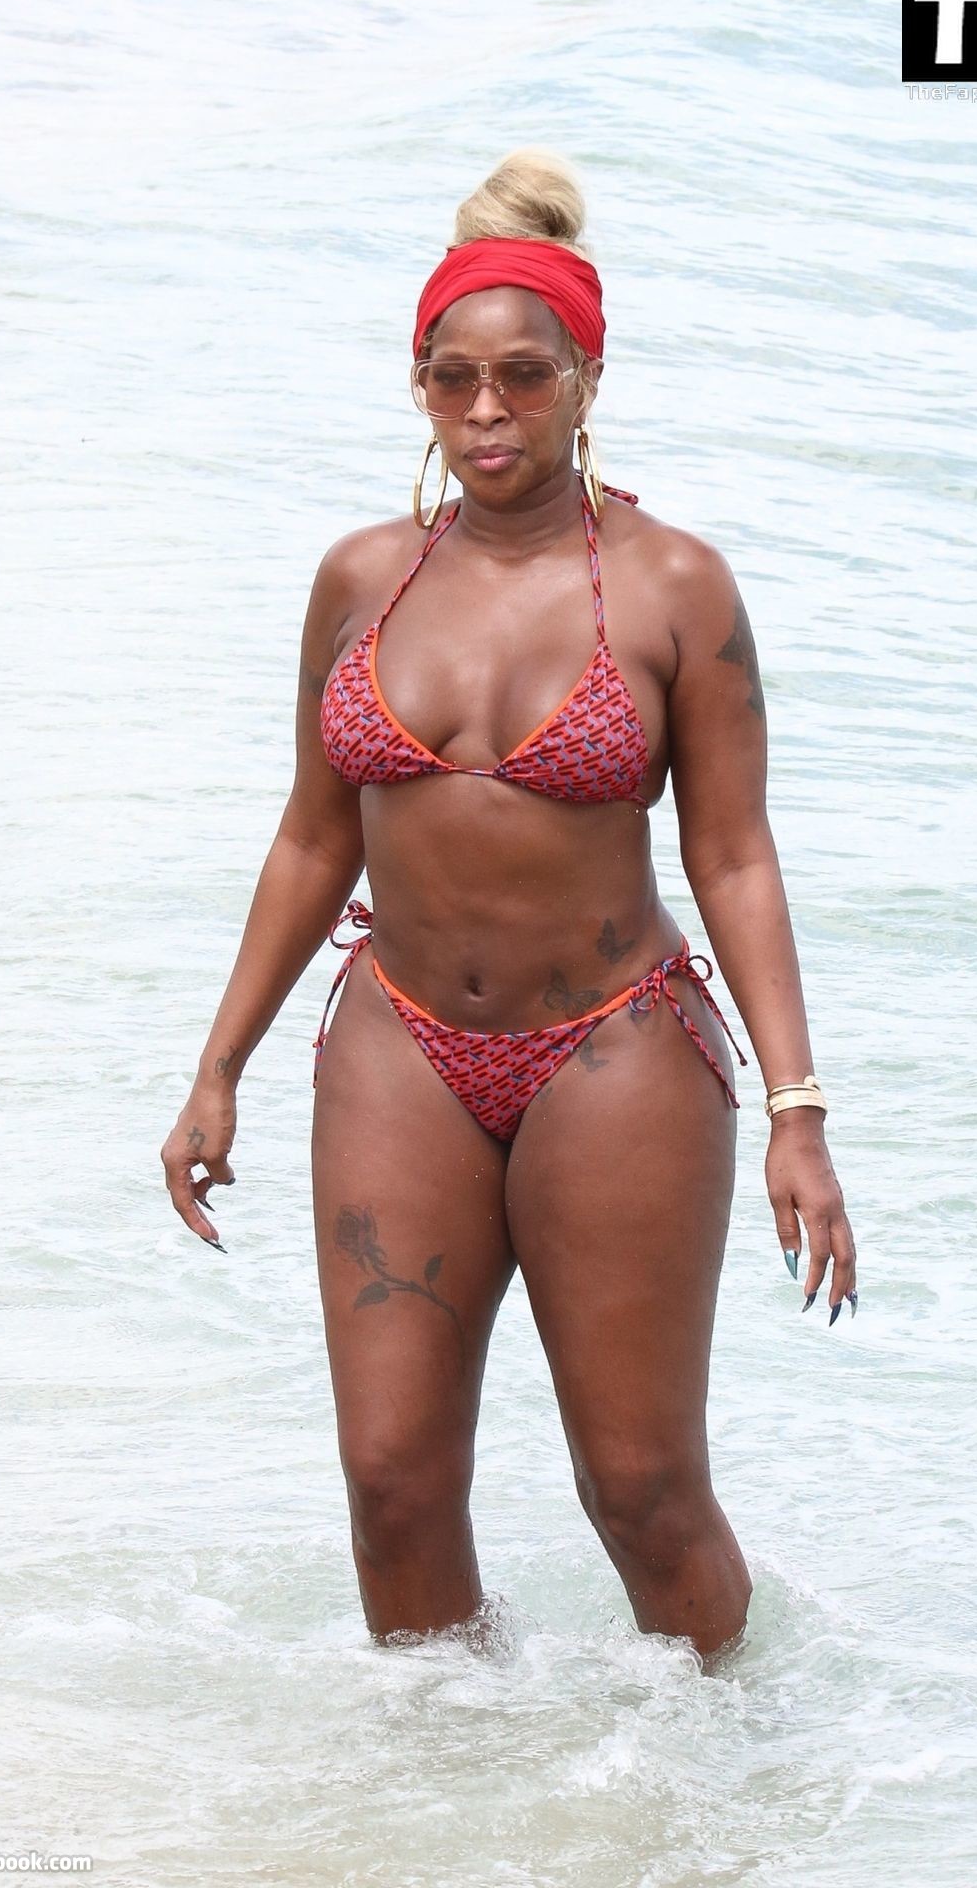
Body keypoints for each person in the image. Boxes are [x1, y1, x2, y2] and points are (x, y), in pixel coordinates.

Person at [160, 147, 858, 1671]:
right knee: (391, 1482)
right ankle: (456, 1780)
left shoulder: (675, 588)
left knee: (641, 1488)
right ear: (418, 388)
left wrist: (797, 1111)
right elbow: (312, 839)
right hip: (399, 1043)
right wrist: (219, 1066)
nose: (488, 410)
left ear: (585, 382)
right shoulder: (361, 580)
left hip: (614, 1048)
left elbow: (736, 858)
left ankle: (737, 1769)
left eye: (524, 378)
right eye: (454, 379)